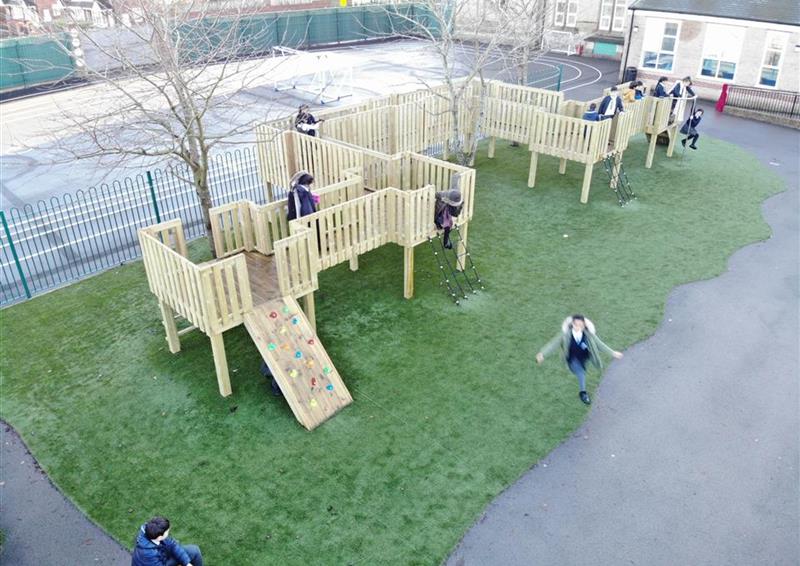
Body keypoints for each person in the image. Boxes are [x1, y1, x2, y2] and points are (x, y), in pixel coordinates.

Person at [535, 314, 623, 405]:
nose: (578, 327)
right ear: (572, 324)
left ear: (584, 326)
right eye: (576, 324)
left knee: (583, 368)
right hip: (572, 359)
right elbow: (553, 344)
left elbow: (600, 345)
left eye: (580, 325)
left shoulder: (588, 335)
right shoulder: (565, 335)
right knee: (581, 372)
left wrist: (613, 353)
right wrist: (542, 354)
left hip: (585, 358)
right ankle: (583, 393)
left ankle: (582, 373)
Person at [131, 516, 203, 566]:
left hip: (161, 555)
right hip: (158, 562)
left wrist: (187, 563)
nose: (168, 533)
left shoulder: (151, 531)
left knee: (194, 550)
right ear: (159, 537)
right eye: (167, 532)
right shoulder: (149, 554)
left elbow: (172, 545)